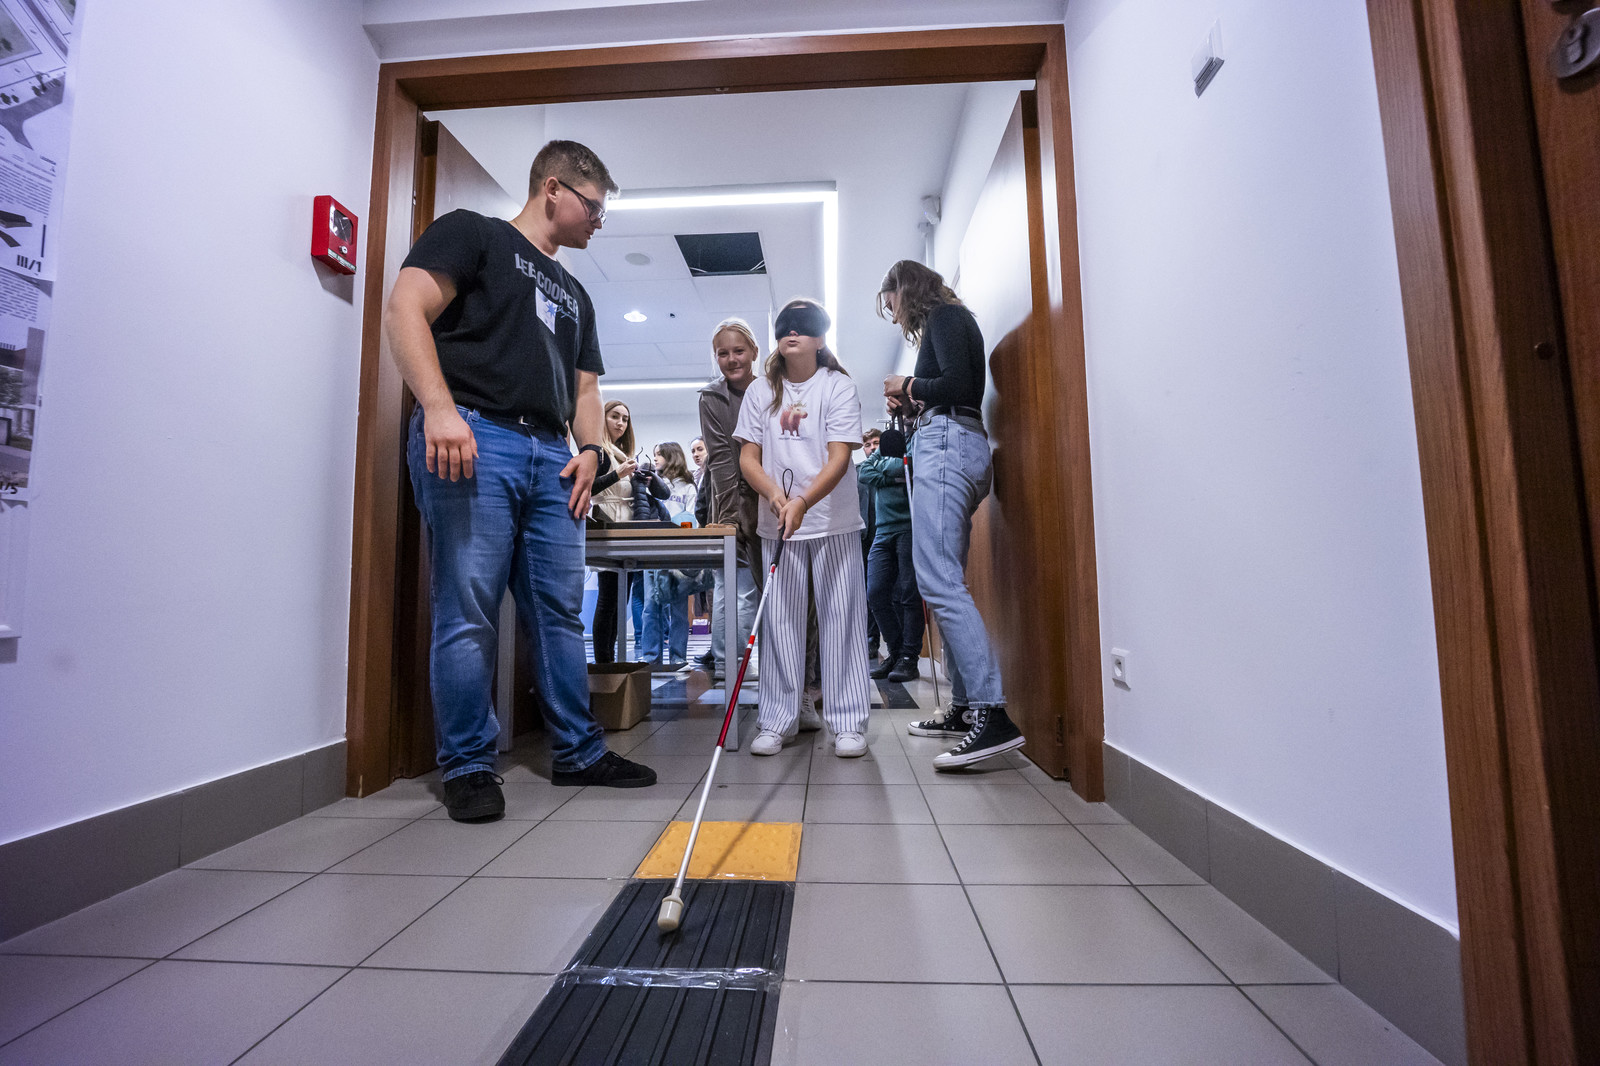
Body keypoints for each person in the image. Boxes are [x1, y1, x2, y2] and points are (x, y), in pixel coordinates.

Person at [384, 139, 657, 821]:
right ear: (553, 188)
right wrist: (438, 409)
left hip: (552, 456)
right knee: (468, 607)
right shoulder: (473, 234)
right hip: (476, 435)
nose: (598, 222)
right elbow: (405, 308)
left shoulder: (577, 294)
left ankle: (579, 751)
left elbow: (586, 388)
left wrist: (591, 449)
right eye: (594, 207)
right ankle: (469, 764)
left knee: (559, 612)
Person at [878, 259, 1024, 768]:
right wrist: (912, 402)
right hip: (953, 443)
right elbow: (954, 386)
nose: (895, 315)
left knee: (939, 581)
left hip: (948, 445)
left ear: (906, 290)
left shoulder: (944, 317)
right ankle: (964, 708)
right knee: (944, 580)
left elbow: (960, 386)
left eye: (893, 304)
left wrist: (909, 385)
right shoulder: (949, 322)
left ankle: (991, 712)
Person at [735, 299, 872, 758]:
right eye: (784, 328)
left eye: (802, 326)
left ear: (819, 338)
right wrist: (776, 496)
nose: (792, 333)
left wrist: (803, 501)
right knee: (780, 624)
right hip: (779, 525)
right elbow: (748, 457)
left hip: (833, 521)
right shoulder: (760, 392)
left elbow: (840, 456)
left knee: (842, 620)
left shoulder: (837, 386)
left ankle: (848, 721)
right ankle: (777, 719)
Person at [591, 399, 668, 663]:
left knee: (618, 603)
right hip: (608, 528)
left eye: (625, 419)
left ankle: (609, 663)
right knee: (608, 600)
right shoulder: (599, 453)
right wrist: (618, 474)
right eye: (615, 416)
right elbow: (588, 487)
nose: (621, 423)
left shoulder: (621, 455)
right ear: (602, 418)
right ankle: (604, 664)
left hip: (626, 530)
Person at [858, 426, 923, 683]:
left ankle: (909, 658)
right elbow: (865, 472)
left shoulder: (913, 443)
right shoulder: (884, 448)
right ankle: (896, 653)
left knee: (909, 594)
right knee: (875, 593)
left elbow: (910, 468)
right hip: (882, 532)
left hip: (908, 527)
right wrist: (894, 475)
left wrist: (886, 471)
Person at [640, 441, 697, 664]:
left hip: (678, 552)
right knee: (650, 606)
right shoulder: (651, 484)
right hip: (652, 550)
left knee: (679, 608)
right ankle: (650, 658)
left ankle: (678, 658)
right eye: (654, 454)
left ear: (672, 456)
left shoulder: (688, 487)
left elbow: (691, 519)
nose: (655, 458)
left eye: (659, 454)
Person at [858, 428, 884, 664]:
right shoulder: (857, 473)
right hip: (864, 539)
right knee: (868, 591)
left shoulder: (891, 469)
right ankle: (869, 639)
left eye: (876, 442)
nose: (872, 447)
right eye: (868, 445)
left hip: (886, 533)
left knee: (891, 591)